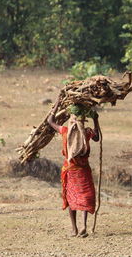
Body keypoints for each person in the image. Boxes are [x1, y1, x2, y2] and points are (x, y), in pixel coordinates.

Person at [47, 101, 99, 238]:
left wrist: (57, 104)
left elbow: (50, 121)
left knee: (71, 198)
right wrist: (95, 119)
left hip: (70, 170)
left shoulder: (65, 131)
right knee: (86, 196)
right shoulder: (87, 132)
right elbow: (97, 137)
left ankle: (75, 229)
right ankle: (83, 226)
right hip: (83, 170)